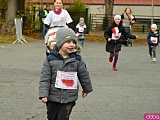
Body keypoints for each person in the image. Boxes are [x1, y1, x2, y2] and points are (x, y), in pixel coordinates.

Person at [39, 27, 93, 120]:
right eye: (68, 42)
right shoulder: (50, 59)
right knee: (52, 117)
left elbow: (84, 75)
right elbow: (45, 78)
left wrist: (86, 89)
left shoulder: (77, 59)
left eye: (74, 42)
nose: (72, 45)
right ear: (60, 43)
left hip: (69, 96)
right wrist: (43, 94)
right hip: (53, 97)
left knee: (63, 118)